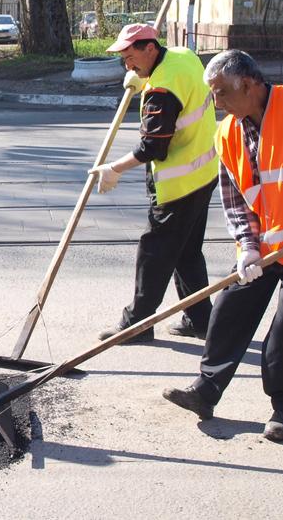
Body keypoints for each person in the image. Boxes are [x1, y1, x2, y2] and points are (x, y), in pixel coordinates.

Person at [162, 49, 283, 441]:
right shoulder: (227, 132)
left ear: (249, 85)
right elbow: (234, 198)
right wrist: (247, 246)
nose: (215, 103)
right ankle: (206, 390)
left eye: (221, 93)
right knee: (229, 310)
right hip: (261, 246)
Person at [90, 24, 219, 344]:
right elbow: (182, 87)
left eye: (131, 57)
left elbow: (153, 148)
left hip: (178, 186)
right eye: (123, 59)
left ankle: (137, 323)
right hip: (205, 173)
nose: (127, 65)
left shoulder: (161, 90)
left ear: (150, 49)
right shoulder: (184, 56)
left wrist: (114, 169)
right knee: (186, 252)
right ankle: (201, 319)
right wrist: (143, 77)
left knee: (155, 252)